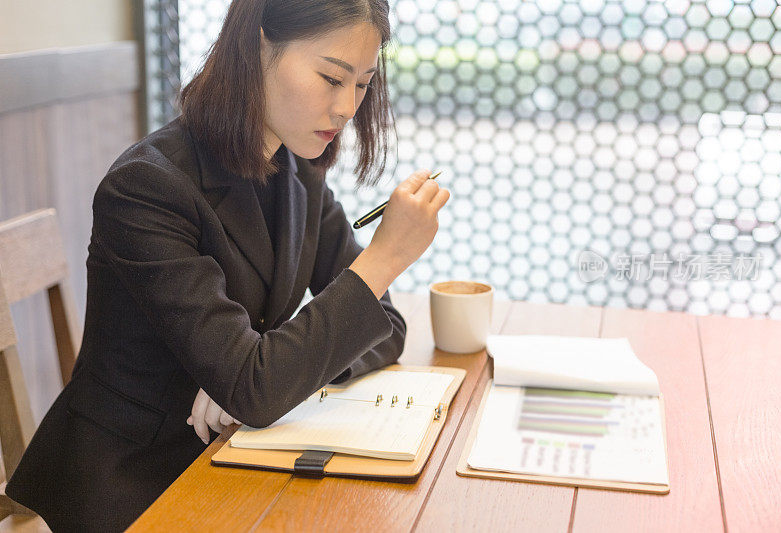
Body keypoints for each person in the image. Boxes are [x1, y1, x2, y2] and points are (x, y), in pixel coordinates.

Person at [6, 1, 450, 530]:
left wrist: (274, 378)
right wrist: (387, 256)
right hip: (136, 482)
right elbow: (258, 386)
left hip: (238, 454)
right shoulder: (148, 187)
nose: (346, 107)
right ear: (258, 47)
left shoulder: (296, 167)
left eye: (362, 84)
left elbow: (386, 327)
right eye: (331, 77)